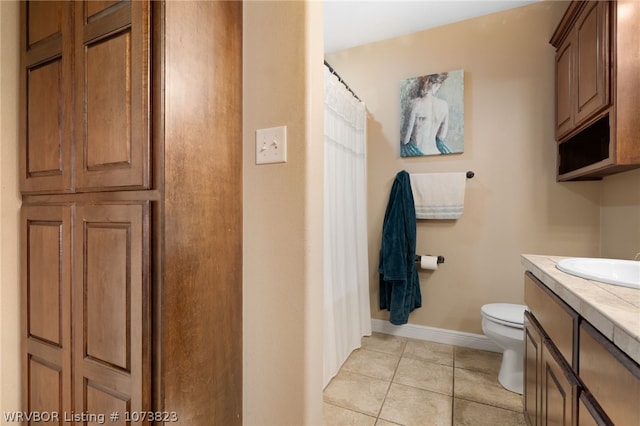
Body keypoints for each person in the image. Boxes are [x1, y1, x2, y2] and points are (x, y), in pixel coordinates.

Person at [401, 72, 452, 156]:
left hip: (417, 155)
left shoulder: (414, 104)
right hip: (436, 153)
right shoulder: (444, 105)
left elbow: (405, 139)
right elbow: (441, 136)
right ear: (438, 84)